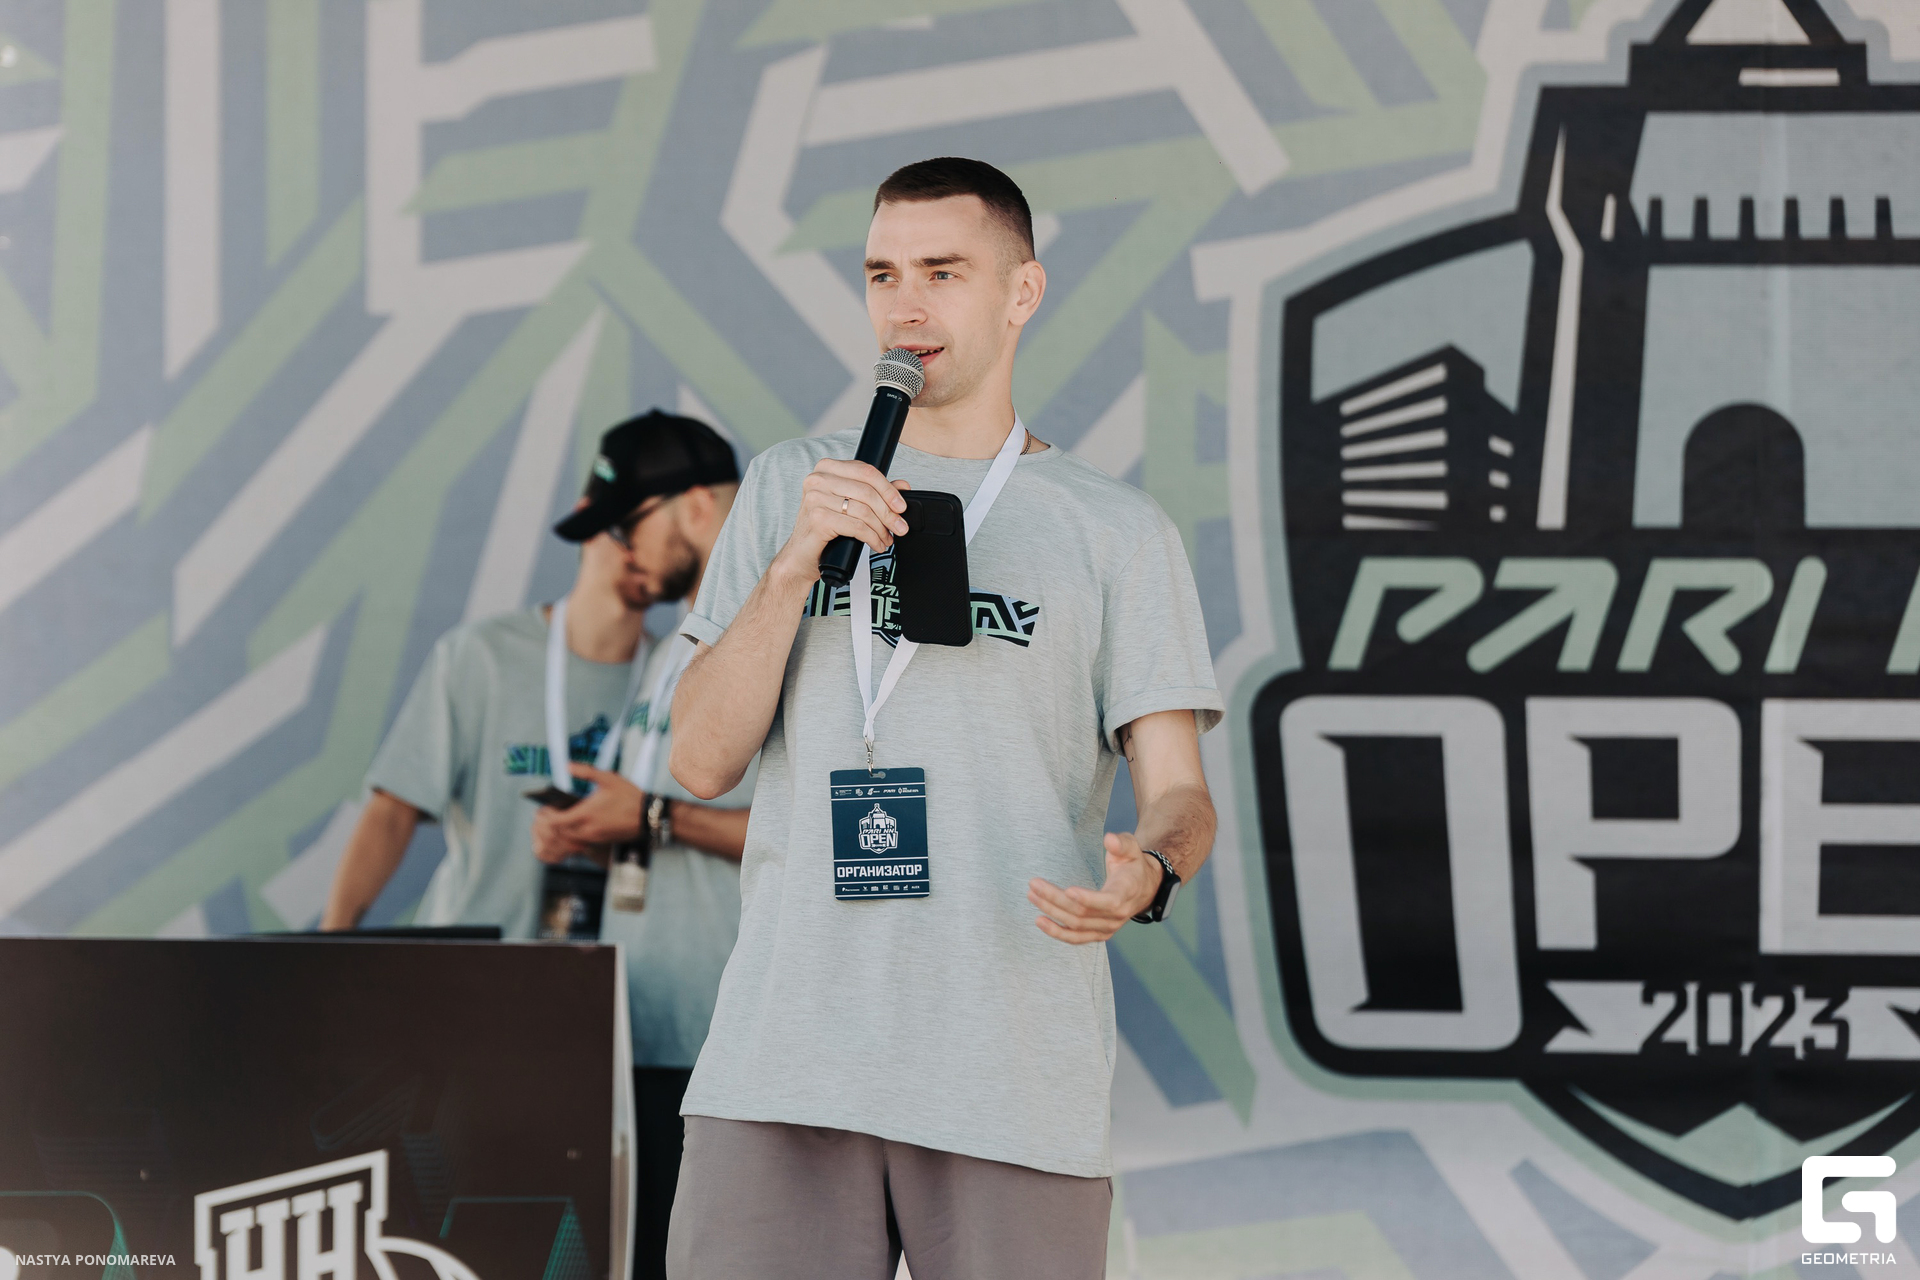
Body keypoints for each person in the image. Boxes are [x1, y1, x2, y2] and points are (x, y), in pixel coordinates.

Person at [664, 157, 1222, 1279]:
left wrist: (1151, 871)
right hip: (783, 1060)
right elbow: (700, 759)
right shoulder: (791, 487)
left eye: (942, 272)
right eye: (882, 274)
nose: (905, 305)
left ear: (1023, 292)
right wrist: (791, 569)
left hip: (1008, 1073)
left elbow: (1180, 792)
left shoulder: (1115, 530)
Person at [319, 411, 733, 938]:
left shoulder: (671, 666)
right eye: (616, 528)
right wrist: (329, 944)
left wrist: (623, 829)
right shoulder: (480, 655)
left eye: (634, 526)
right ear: (587, 524)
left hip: (597, 969)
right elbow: (392, 811)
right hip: (473, 958)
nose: (631, 549)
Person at [527, 433, 753, 1280]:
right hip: (642, 1036)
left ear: (696, 504)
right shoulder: (671, 647)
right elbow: (658, 819)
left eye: (631, 524)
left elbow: (822, 833)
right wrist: (594, 828)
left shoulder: (773, 626)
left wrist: (653, 815)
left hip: (728, 1044)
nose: (622, 548)